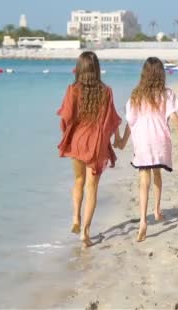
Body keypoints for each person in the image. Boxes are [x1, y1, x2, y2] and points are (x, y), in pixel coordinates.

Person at [115, 57, 178, 242]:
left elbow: (131, 122)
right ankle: (157, 210)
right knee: (157, 174)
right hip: (159, 140)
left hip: (142, 141)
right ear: (161, 74)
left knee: (144, 180)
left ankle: (143, 220)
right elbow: (173, 117)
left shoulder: (136, 95)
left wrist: (122, 142)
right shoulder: (166, 94)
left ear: (144, 74)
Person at [57, 51, 122, 248]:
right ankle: (85, 232)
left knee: (78, 181)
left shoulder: (72, 89)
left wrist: (67, 135)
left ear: (79, 68)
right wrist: (117, 139)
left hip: (78, 141)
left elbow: (66, 117)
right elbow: (111, 119)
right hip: (96, 144)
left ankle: (75, 217)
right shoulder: (106, 91)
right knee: (92, 188)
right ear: (96, 69)